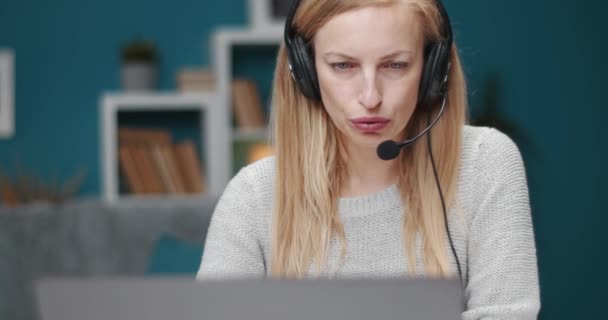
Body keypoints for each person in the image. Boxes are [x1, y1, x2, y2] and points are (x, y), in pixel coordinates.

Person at [197, 0, 540, 318]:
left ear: (433, 72)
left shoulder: (484, 163)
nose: (370, 97)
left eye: (395, 65)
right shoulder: (253, 196)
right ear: (305, 73)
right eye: (343, 65)